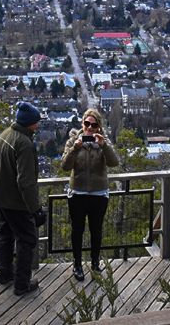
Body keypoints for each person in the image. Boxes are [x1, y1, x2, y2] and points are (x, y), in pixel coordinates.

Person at [0, 101, 45, 295]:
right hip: (15, 201)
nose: (38, 125)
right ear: (29, 123)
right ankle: (22, 284)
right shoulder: (25, 143)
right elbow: (26, 182)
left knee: (5, 235)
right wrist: (35, 208)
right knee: (27, 239)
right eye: (37, 122)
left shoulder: (6, 134)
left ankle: (4, 273)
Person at [61, 108, 120, 281]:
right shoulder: (73, 140)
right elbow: (64, 166)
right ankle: (77, 264)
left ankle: (95, 263)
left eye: (94, 125)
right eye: (87, 124)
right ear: (82, 124)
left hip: (99, 194)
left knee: (96, 230)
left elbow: (114, 162)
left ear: (99, 126)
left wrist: (104, 146)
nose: (90, 128)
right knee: (77, 230)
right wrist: (75, 148)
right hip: (77, 193)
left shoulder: (104, 142)